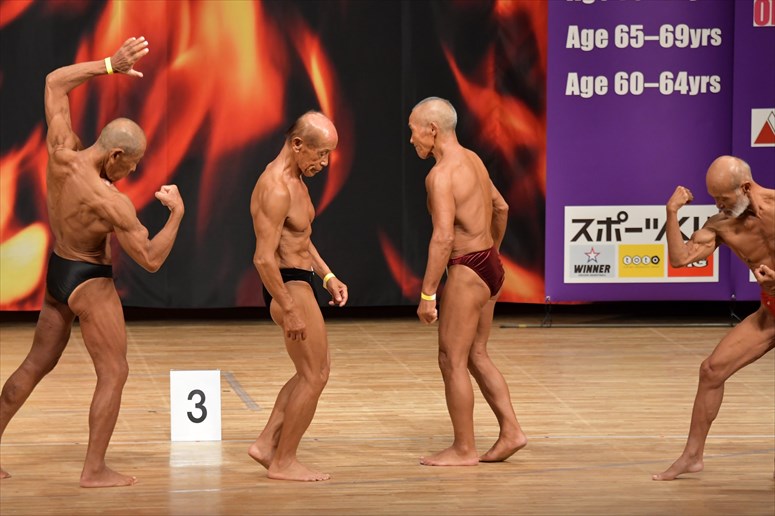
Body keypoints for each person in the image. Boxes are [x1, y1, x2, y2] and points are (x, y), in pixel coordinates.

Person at [0, 37, 185, 488]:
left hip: (59, 272)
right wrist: (177, 215)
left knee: (34, 365)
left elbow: (54, 83)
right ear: (116, 155)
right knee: (115, 371)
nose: (134, 172)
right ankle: (94, 469)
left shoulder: (61, 151)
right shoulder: (111, 201)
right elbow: (151, 259)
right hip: (89, 279)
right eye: (133, 164)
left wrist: (108, 65)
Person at [408, 97, 527, 466]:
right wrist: (492, 253)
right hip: (488, 264)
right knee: (476, 354)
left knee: (451, 359)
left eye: (413, 130)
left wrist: (428, 293)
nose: (411, 139)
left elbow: (443, 237)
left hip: (467, 268)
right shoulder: (474, 160)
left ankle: (463, 449)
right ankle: (512, 432)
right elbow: (502, 207)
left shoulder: (440, 175)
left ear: (432, 129)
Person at [653, 155, 775, 481]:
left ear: (746, 187)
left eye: (723, 198)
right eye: (714, 198)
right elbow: (680, 259)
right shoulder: (720, 224)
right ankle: (692, 457)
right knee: (711, 371)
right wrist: (671, 212)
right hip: (771, 314)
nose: (718, 205)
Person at [248, 111, 348, 482]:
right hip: (287, 285)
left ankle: (266, 444)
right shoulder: (276, 188)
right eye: (320, 154)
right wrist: (289, 308)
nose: (324, 163)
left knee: (313, 370)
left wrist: (327, 276)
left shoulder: (296, 180)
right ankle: (284, 461)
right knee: (315, 374)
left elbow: (300, 238)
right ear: (297, 144)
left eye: (328, 155)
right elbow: (263, 258)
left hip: (300, 279)